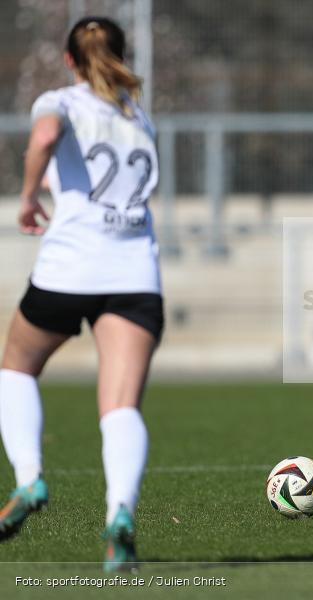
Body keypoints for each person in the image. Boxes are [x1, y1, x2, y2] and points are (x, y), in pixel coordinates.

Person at [0, 17, 162, 571]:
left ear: (69, 59)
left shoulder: (60, 99)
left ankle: (28, 479)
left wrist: (26, 197)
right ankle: (120, 515)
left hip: (70, 268)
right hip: (136, 272)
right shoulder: (136, 114)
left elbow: (45, 138)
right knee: (120, 405)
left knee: (16, 366)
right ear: (120, 54)